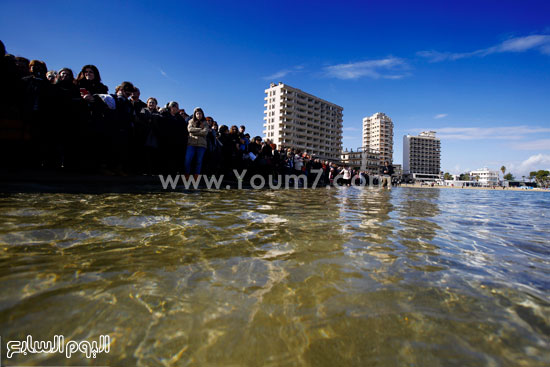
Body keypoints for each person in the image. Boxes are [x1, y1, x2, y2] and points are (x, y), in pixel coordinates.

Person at [184, 107, 209, 176]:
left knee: (198, 162)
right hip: (191, 143)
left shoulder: (205, 123)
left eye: (200, 113)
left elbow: (205, 132)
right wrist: (200, 129)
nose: (199, 115)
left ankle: (196, 177)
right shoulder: (191, 121)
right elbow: (190, 130)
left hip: (202, 145)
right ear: (195, 114)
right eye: (197, 113)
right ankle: (187, 176)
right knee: (187, 160)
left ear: (202, 114)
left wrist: (195, 131)